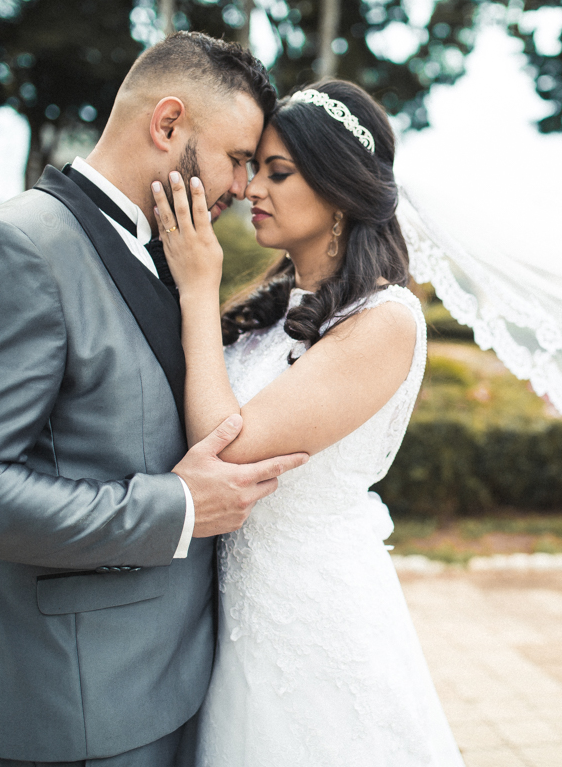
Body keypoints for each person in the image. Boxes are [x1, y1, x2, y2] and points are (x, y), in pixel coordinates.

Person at [0, 32, 308, 767]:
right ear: (169, 124)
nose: (244, 187)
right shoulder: (14, 248)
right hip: (63, 710)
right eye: (239, 159)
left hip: (162, 688)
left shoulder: (173, 253)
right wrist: (176, 508)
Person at [151, 78, 465, 766]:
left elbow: (222, 450)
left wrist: (199, 289)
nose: (251, 189)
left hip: (314, 623)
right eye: (252, 167)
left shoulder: (383, 322)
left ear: (340, 191)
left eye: (278, 172)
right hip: (230, 617)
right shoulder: (269, 310)